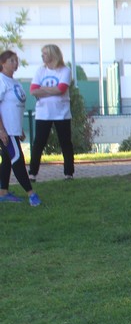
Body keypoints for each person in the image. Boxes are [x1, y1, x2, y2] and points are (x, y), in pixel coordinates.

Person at [0, 50, 41, 206]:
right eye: (11, 60)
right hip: (6, 131)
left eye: (16, 60)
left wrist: (20, 129)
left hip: (13, 129)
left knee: (7, 160)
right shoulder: (1, 80)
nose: (15, 63)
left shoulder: (14, 82)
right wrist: (1, 130)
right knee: (17, 159)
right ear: (2, 63)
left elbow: (13, 108)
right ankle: (31, 194)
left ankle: (3, 192)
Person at [28, 44, 74, 181]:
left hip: (62, 113)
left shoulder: (65, 70)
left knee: (65, 143)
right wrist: (53, 90)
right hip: (43, 113)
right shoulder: (40, 71)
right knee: (39, 143)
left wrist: (43, 89)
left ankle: (69, 173)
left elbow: (61, 89)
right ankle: (32, 173)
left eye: (45, 54)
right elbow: (33, 90)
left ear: (53, 55)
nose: (42, 56)